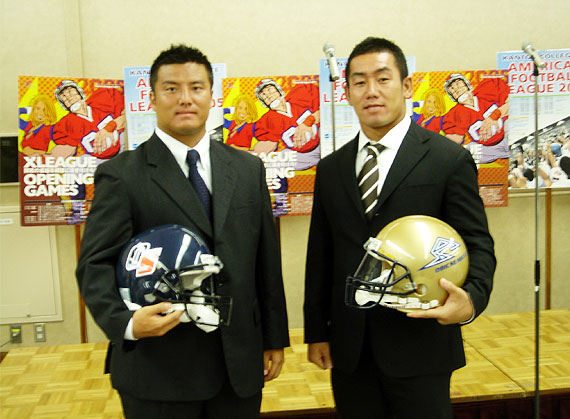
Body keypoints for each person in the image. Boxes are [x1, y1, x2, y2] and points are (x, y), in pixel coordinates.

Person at [76, 44, 289, 419]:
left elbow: (265, 262)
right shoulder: (122, 175)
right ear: (152, 98)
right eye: (171, 88)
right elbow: (95, 264)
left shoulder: (247, 169)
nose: (185, 98)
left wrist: (274, 338)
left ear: (212, 96)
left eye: (196, 87)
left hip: (238, 365)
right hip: (159, 369)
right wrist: (126, 323)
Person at [304, 37, 495, 419]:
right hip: (351, 347)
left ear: (406, 86)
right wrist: (317, 331)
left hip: (421, 342)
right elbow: (321, 254)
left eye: (383, 78)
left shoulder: (448, 159)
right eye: (359, 82)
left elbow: (476, 241)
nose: (371, 91)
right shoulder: (331, 168)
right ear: (347, 92)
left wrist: (472, 298)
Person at [441, 73, 509, 164]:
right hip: (487, 150)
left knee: (510, 122)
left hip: (507, 137)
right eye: (452, 88)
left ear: (466, 84)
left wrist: (494, 116)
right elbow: (456, 138)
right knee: (467, 150)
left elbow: (512, 102)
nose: (456, 89)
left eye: (457, 83)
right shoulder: (455, 114)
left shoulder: (486, 89)